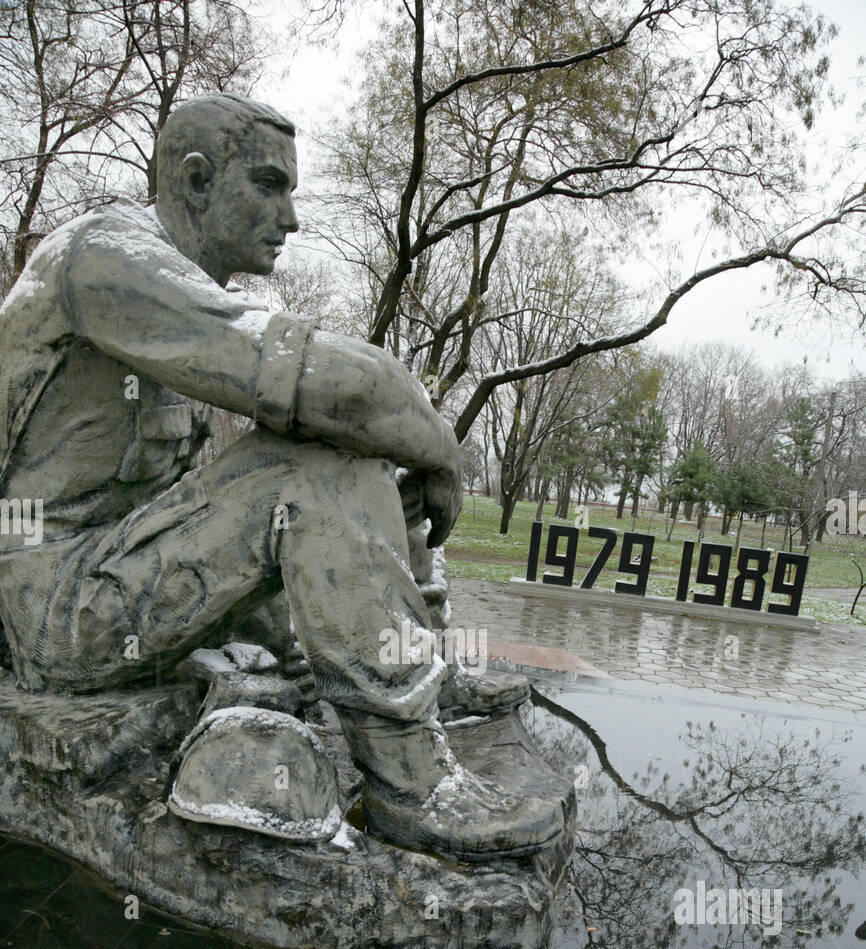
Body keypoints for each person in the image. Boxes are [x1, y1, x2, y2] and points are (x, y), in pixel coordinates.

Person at [0, 94, 562, 860]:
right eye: (270, 184)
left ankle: (411, 663)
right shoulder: (103, 259)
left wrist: (280, 627)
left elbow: (183, 504)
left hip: (107, 575)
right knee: (317, 459)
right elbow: (340, 387)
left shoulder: (181, 290)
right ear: (196, 181)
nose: (291, 217)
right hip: (54, 610)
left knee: (348, 451)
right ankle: (410, 779)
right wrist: (437, 444)